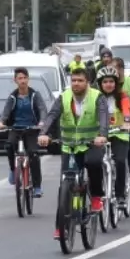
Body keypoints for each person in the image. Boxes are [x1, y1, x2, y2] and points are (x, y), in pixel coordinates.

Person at [39, 65, 112, 238]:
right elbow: (52, 116)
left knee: (94, 163)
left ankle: (96, 198)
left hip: (91, 143)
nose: (76, 84)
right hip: (69, 145)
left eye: (80, 81)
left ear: (87, 82)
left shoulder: (97, 97)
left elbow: (103, 117)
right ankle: (61, 227)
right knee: (65, 183)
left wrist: (102, 135)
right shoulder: (63, 98)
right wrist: (44, 133)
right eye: (73, 80)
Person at [0, 67, 48, 198]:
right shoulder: (12, 97)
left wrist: (41, 122)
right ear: (15, 80)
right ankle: (14, 170)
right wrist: (2, 122)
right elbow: (6, 112)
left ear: (28, 79)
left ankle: (37, 186)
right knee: (9, 145)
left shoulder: (35, 95)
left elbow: (42, 109)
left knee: (33, 154)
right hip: (16, 128)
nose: (23, 81)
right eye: (20, 78)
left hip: (31, 129)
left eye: (25, 78)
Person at [95, 67, 130, 210]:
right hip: (101, 135)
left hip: (119, 133)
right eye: (105, 82)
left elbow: (126, 110)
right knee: (95, 163)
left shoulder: (122, 96)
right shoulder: (95, 97)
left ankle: (120, 195)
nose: (108, 84)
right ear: (100, 83)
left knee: (119, 161)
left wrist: (127, 122)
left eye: (111, 81)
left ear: (116, 83)